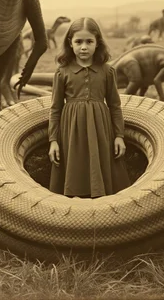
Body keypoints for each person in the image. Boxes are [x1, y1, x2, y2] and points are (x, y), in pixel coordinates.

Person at [48, 17, 131, 198]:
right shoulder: (62, 72)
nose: (83, 47)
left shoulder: (107, 71)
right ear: (70, 43)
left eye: (89, 41)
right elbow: (55, 108)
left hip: (101, 128)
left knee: (101, 162)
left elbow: (115, 106)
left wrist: (119, 136)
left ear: (97, 43)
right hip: (71, 130)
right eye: (78, 42)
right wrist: (53, 140)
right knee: (75, 163)